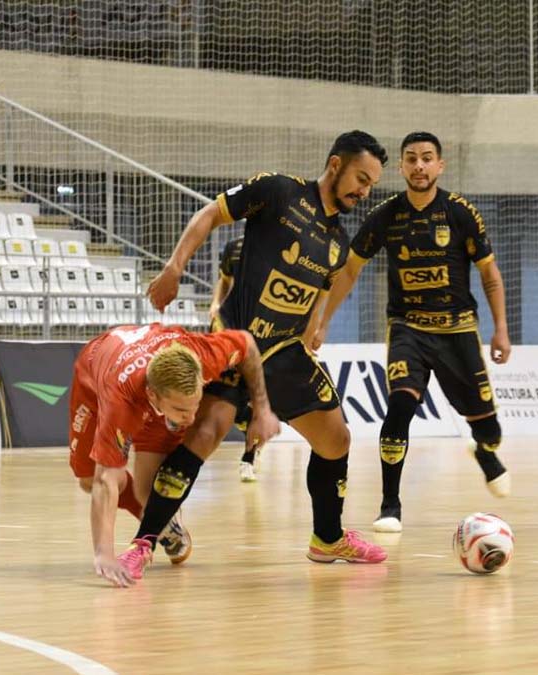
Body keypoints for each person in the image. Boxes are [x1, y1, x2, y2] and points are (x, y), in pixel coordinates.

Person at [121, 130, 391, 577]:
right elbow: (210, 214)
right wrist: (173, 268)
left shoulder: (338, 241)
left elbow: (313, 296)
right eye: (360, 178)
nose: (363, 192)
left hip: (284, 350)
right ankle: (143, 543)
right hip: (233, 340)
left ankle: (327, 538)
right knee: (206, 433)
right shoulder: (278, 190)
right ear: (336, 164)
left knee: (336, 439)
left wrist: (314, 330)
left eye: (371, 186)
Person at [311, 131, 512, 534]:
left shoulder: (460, 213)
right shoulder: (385, 215)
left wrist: (501, 330)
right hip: (408, 330)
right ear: (401, 167)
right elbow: (349, 269)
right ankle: (390, 504)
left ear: (440, 165)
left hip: (458, 332)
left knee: (490, 430)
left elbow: (489, 274)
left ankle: (485, 451)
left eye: (426, 158)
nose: (419, 166)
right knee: (400, 405)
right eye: (411, 159)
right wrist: (322, 320)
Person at [69, 322, 279, 587]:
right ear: (152, 396)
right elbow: (103, 480)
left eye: (195, 406)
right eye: (182, 411)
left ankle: (159, 521)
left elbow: (247, 343)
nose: (190, 419)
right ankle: (157, 518)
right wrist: (104, 553)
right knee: (89, 478)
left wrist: (262, 409)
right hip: (95, 372)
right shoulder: (120, 401)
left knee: (149, 493)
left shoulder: (203, 354)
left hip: (151, 367)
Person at [209, 235, 260, 482]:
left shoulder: (280, 245)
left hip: (261, 328)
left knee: (253, 401)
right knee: (228, 391)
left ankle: (248, 458)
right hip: (232, 325)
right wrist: (215, 304)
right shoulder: (234, 246)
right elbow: (224, 281)